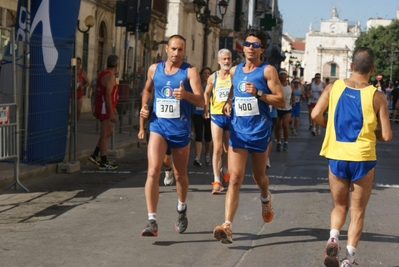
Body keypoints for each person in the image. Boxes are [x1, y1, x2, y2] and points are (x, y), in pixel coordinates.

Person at [311, 47, 392, 267]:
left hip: (337, 155)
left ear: (350, 66)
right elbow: (386, 135)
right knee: (357, 212)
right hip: (363, 158)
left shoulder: (333, 87)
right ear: (372, 69)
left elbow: (315, 114)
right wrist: (369, 130)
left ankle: (333, 238)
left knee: (339, 206)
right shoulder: (377, 96)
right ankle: (348, 259)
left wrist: (330, 127)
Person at [213, 29, 285, 244]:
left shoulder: (268, 71)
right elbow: (233, 92)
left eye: (255, 45)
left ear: (262, 49)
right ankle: (227, 225)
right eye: (247, 44)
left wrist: (259, 94)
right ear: (242, 47)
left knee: (258, 177)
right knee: (234, 178)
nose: (251, 48)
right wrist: (227, 102)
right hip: (238, 131)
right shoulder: (235, 71)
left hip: (260, 131)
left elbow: (281, 101)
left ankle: (265, 197)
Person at [139, 34, 204, 237]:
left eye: (180, 50)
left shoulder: (190, 72)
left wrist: (186, 95)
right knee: (152, 171)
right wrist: (144, 106)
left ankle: (181, 209)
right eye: (174, 49)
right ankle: (152, 221)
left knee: (179, 175)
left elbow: (201, 101)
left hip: (180, 128)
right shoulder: (154, 69)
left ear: (184, 51)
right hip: (158, 125)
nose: (177, 53)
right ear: (167, 49)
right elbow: (147, 90)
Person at [204, 49, 232, 194]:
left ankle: (226, 170)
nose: (227, 62)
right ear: (218, 61)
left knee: (229, 148)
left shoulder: (234, 76)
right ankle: (216, 180)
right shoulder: (213, 77)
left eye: (229, 59)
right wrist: (206, 109)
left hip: (231, 116)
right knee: (218, 148)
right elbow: (206, 93)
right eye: (224, 59)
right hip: (216, 114)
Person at [88, 55, 120, 170]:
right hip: (105, 108)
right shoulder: (110, 77)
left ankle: (95, 154)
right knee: (104, 135)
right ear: (117, 65)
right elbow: (107, 95)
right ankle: (103, 160)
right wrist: (111, 112)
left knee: (109, 132)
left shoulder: (101, 74)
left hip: (104, 107)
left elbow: (100, 93)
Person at [138, 101, 175, 186]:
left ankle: (169, 168)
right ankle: (154, 184)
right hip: (153, 129)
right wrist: (141, 129)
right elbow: (143, 111)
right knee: (153, 162)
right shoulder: (151, 95)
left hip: (168, 129)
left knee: (165, 160)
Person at [192, 67, 212, 167]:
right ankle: (197, 157)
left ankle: (207, 154)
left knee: (208, 136)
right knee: (198, 135)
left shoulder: (212, 87)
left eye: (208, 73)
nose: (206, 75)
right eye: (204, 73)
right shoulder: (197, 87)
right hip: (197, 113)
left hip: (209, 114)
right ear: (201, 75)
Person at [274, 69, 294, 151]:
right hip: (278, 108)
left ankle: (286, 142)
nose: (282, 76)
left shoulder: (290, 85)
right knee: (278, 126)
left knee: (285, 125)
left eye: (284, 74)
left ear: (286, 76)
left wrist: (293, 100)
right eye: (281, 74)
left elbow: (292, 94)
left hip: (287, 108)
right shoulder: (276, 84)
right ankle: (279, 142)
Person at [75, 57, 89, 121]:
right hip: (72, 93)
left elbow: (88, 82)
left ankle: (76, 123)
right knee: (71, 110)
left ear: (80, 64)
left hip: (79, 93)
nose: (77, 64)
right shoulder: (72, 71)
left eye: (78, 63)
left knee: (78, 110)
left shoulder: (83, 72)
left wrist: (83, 87)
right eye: (76, 63)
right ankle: (71, 122)